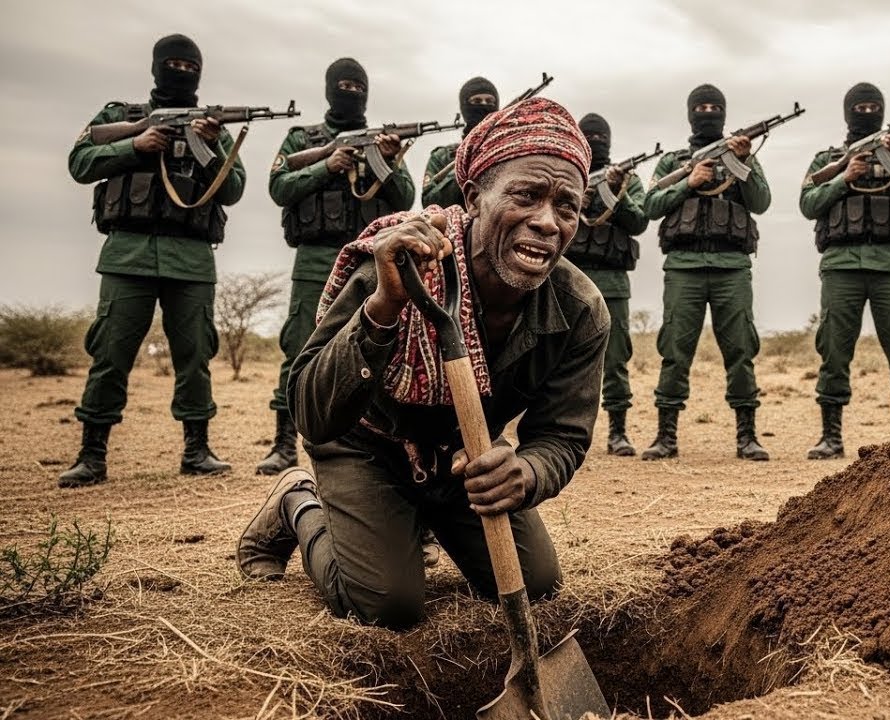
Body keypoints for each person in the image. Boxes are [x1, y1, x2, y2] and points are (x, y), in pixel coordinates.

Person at [237, 97, 608, 630]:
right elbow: (312, 412)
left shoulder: (580, 309)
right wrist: (383, 309)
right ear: (475, 198)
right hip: (366, 443)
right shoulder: (401, 267)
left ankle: (422, 518)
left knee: (539, 584)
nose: (547, 222)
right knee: (388, 606)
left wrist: (524, 472)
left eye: (566, 207)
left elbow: (564, 436)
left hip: (462, 457)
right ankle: (299, 503)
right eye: (526, 195)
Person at [60, 34, 245, 488]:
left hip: (192, 259)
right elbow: (80, 162)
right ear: (157, 67)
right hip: (128, 254)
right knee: (109, 353)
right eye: (174, 64)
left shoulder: (210, 127)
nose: (181, 72)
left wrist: (213, 144)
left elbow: (233, 189)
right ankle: (92, 454)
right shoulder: (118, 117)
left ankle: (197, 450)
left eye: (189, 65)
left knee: (196, 356)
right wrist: (136, 147)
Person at [256, 58, 414, 477]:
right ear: (329, 89)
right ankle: (283, 444)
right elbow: (278, 187)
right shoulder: (301, 139)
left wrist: (387, 160)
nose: (351, 92)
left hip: (372, 259)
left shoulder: (383, 142)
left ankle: (374, 445)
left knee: (380, 345)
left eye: (358, 86)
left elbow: (404, 199)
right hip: (314, 259)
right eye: (343, 85)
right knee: (300, 349)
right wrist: (327, 165)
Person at [798, 83, 890, 459]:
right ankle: (831, 437)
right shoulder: (828, 158)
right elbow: (808, 203)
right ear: (848, 112)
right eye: (861, 107)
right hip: (841, 267)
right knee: (835, 350)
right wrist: (844, 176)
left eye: (874, 106)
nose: (867, 112)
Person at [640, 84, 771, 462]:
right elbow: (650, 205)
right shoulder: (673, 162)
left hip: (733, 267)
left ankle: (747, 437)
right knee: (675, 351)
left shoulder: (742, 156)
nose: (708, 112)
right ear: (691, 113)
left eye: (715, 107)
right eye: (702, 107)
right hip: (683, 268)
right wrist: (690, 182)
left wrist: (742, 163)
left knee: (741, 349)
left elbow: (762, 202)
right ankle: (666, 437)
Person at [561, 113, 649, 456]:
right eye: (591, 137)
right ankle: (555, 435)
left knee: (615, 360)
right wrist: (571, 201)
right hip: (567, 278)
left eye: (602, 137)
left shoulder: (627, 180)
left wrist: (614, 192)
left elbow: (639, 220)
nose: (597, 143)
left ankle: (619, 432)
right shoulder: (566, 176)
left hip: (613, 282)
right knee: (554, 360)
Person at [419, 77, 498, 209]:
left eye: (489, 101)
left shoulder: (508, 151)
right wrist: (467, 161)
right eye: (477, 101)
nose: (484, 105)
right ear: (465, 106)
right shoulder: (443, 156)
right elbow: (430, 203)